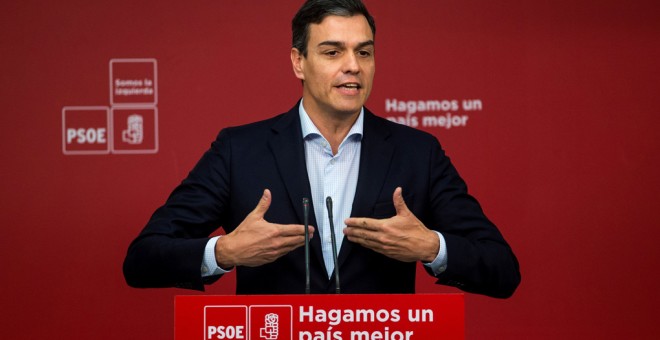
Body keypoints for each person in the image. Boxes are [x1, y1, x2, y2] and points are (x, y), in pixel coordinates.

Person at [123, 0, 520, 298]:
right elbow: (143, 259)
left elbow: (502, 270)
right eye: (333, 52)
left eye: (364, 52)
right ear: (299, 62)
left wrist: (432, 247)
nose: (353, 66)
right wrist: (224, 252)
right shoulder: (239, 150)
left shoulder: (417, 152)